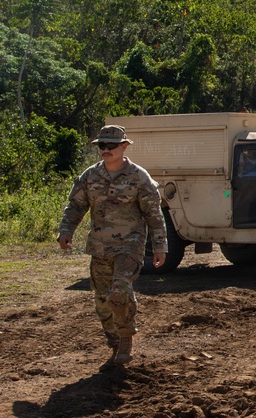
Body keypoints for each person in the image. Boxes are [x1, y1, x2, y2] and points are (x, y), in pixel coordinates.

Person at [57, 125, 168, 371]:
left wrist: (160, 247)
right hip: (99, 247)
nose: (105, 150)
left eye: (111, 145)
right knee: (102, 301)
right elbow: (75, 207)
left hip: (130, 246)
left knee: (120, 289)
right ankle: (114, 340)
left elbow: (154, 215)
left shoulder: (139, 177)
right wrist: (66, 231)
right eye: (101, 146)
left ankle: (126, 339)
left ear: (124, 146)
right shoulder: (89, 176)